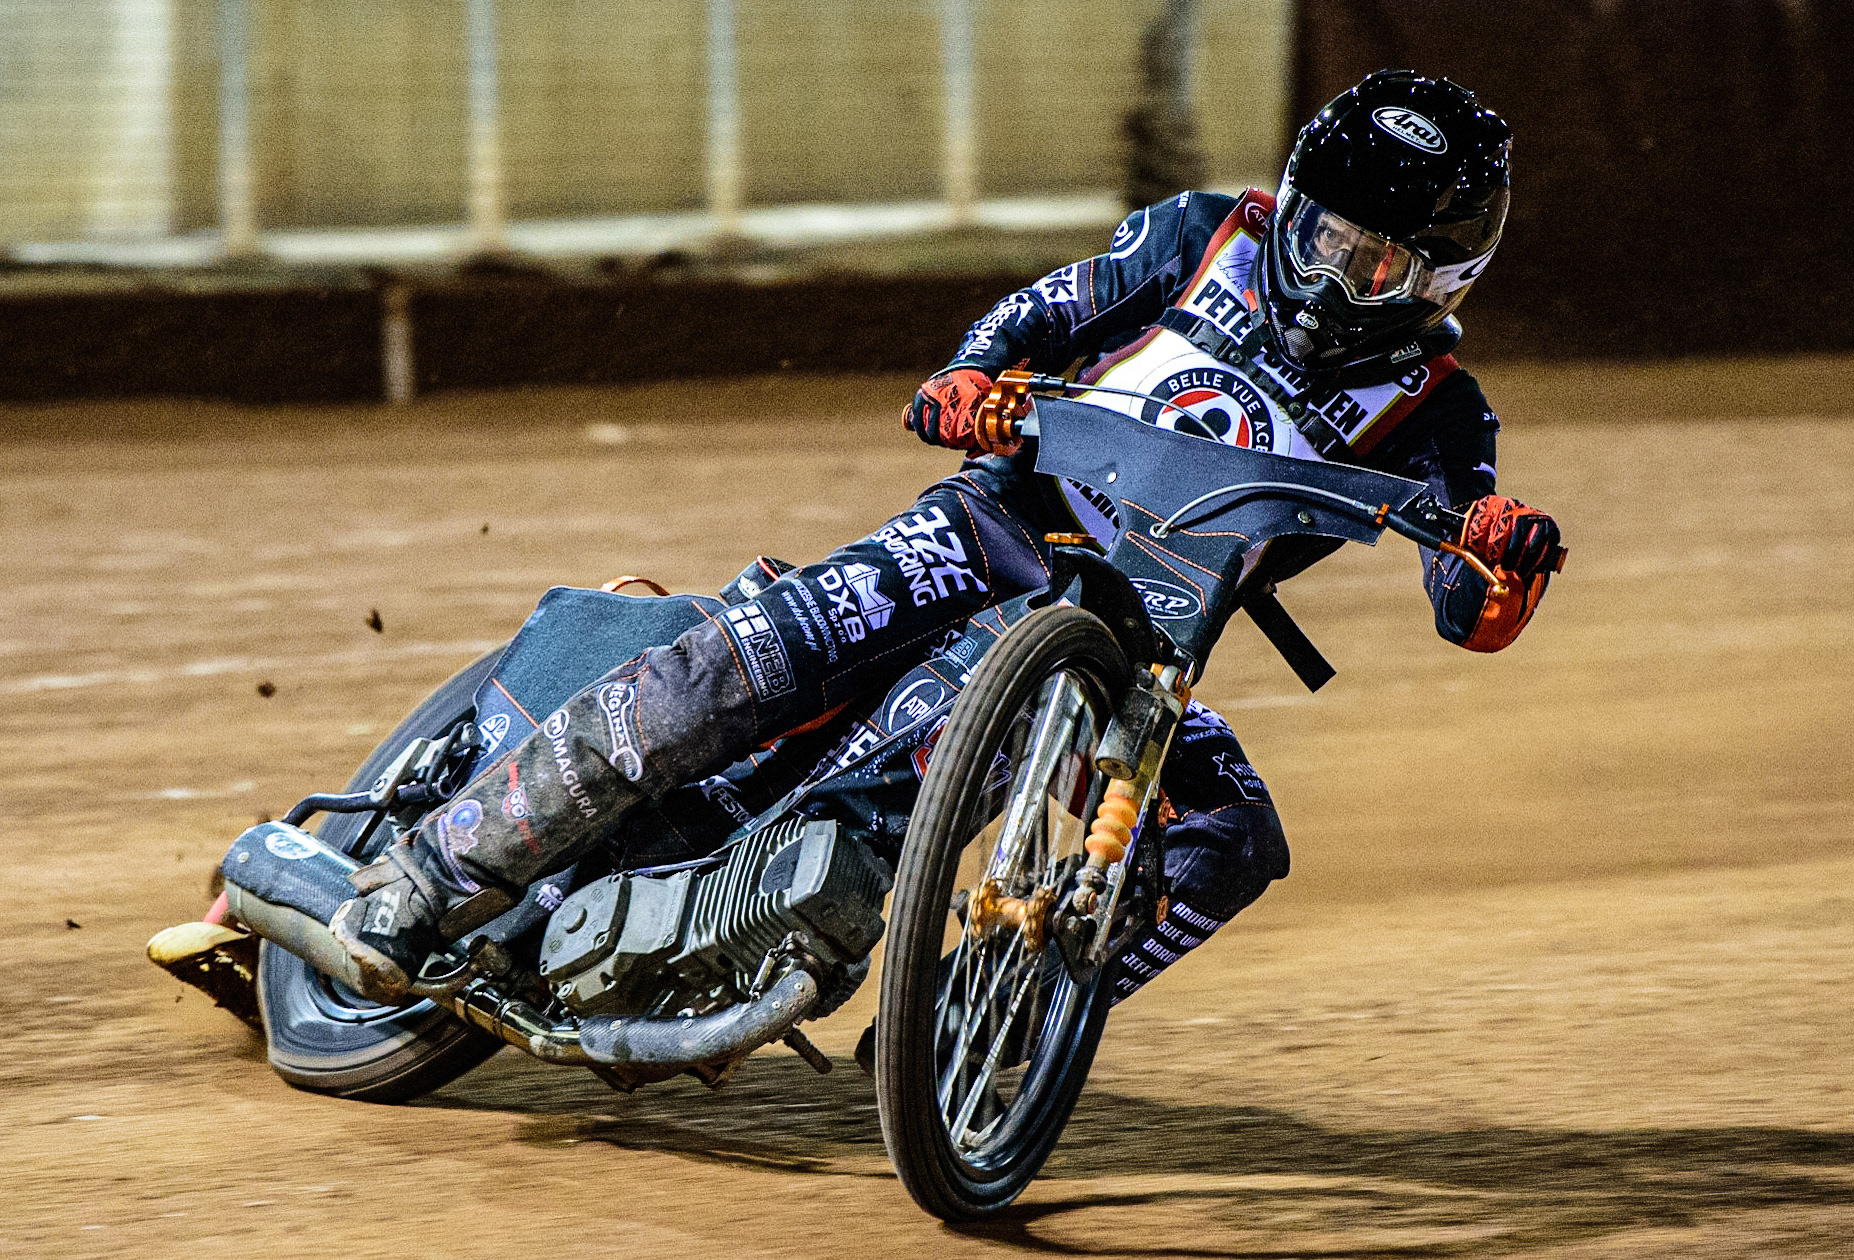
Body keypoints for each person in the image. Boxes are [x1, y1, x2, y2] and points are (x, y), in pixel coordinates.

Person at [162, 70, 1564, 1018]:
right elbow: (1028, 321)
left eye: (1370, 260)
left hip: (1139, 653)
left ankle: (990, 1017)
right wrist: (971, 381)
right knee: (741, 668)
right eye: (1320, 235)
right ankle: (416, 886)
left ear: (1446, 271)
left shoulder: (1442, 414)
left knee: (1231, 838)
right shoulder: (1202, 237)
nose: (1329, 273)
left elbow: (1464, 599)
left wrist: (1499, 562)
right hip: (994, 529)